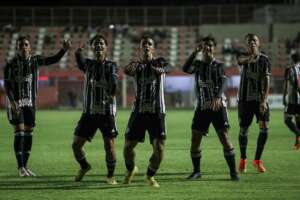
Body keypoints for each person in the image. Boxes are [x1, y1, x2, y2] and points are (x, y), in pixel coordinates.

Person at [4, 35, 71, 177]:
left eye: (26, 45)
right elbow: (7, 85)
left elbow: (53, 59)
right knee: (19, 132)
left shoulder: (35, 60)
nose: (23, 47)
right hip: (16, 103)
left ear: (30, 47)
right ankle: (20, 167)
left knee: (28, 133)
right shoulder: (11, 64)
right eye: (20, 45)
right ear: (17, 48)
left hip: (30, 103)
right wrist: (12, 101)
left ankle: (25, 166)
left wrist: (63, 50)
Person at [183, 36, 239, 181]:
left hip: (217, 107)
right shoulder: (198, 64)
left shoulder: (219, 65)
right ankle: (196, 172)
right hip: (202, 107)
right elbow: (185, 68)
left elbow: (224, 81)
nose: (207, 48)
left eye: (210, 46)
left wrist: (218, 97)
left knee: (225, 138)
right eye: (205, 46)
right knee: (195, 140)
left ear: (214, 48)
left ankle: (233, 172)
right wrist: (194, 52)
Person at [123, 35, 172, 188]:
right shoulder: (136, 64)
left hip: (157, 112)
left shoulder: (160, 61)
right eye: (143, 44)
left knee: (159, 148)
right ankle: (131, 169)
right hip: (139, 111)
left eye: (149, 44)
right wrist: (129, 69)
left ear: (153, 48)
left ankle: (150, 175)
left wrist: (161, 70)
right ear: (140, 48)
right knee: (128, 147)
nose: (146, 46)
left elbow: (169, 67)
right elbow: (127, 70)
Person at [72, 35, 118, 185]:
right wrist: (78, 52)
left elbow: (114, 82)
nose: (99, 46)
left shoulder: (111, 65)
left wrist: (111, 94)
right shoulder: (88, 65)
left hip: (106, 112)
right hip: (89, 113)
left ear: (106, 48)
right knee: (76, 145)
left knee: (109, 146)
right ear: (92, 49)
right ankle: (84, 166)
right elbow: (79, 61)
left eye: (101, 44)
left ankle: (110, 175)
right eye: (96, 44)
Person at [237, 33, 271, 173]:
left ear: (259, 43)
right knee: (244, 130)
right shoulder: (242, 57)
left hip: (260, 100)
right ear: (246, 44)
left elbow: (267, 80)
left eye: (255, 40)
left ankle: (257, 160)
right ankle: (243, 159)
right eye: (250, 41)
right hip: (245, 101)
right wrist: (251, 58)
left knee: (264, 128)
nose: (252, 42)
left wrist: (264, 100)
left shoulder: (265, 60)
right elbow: (240, 61)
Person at [283, 52, 300, 150]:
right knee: (298, 120)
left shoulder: (289, 69)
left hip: (293, 99)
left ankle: (298, 134)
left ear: (292, 59)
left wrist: (283, 97)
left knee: (287, 119)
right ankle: (297, 143)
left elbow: (287, 84)